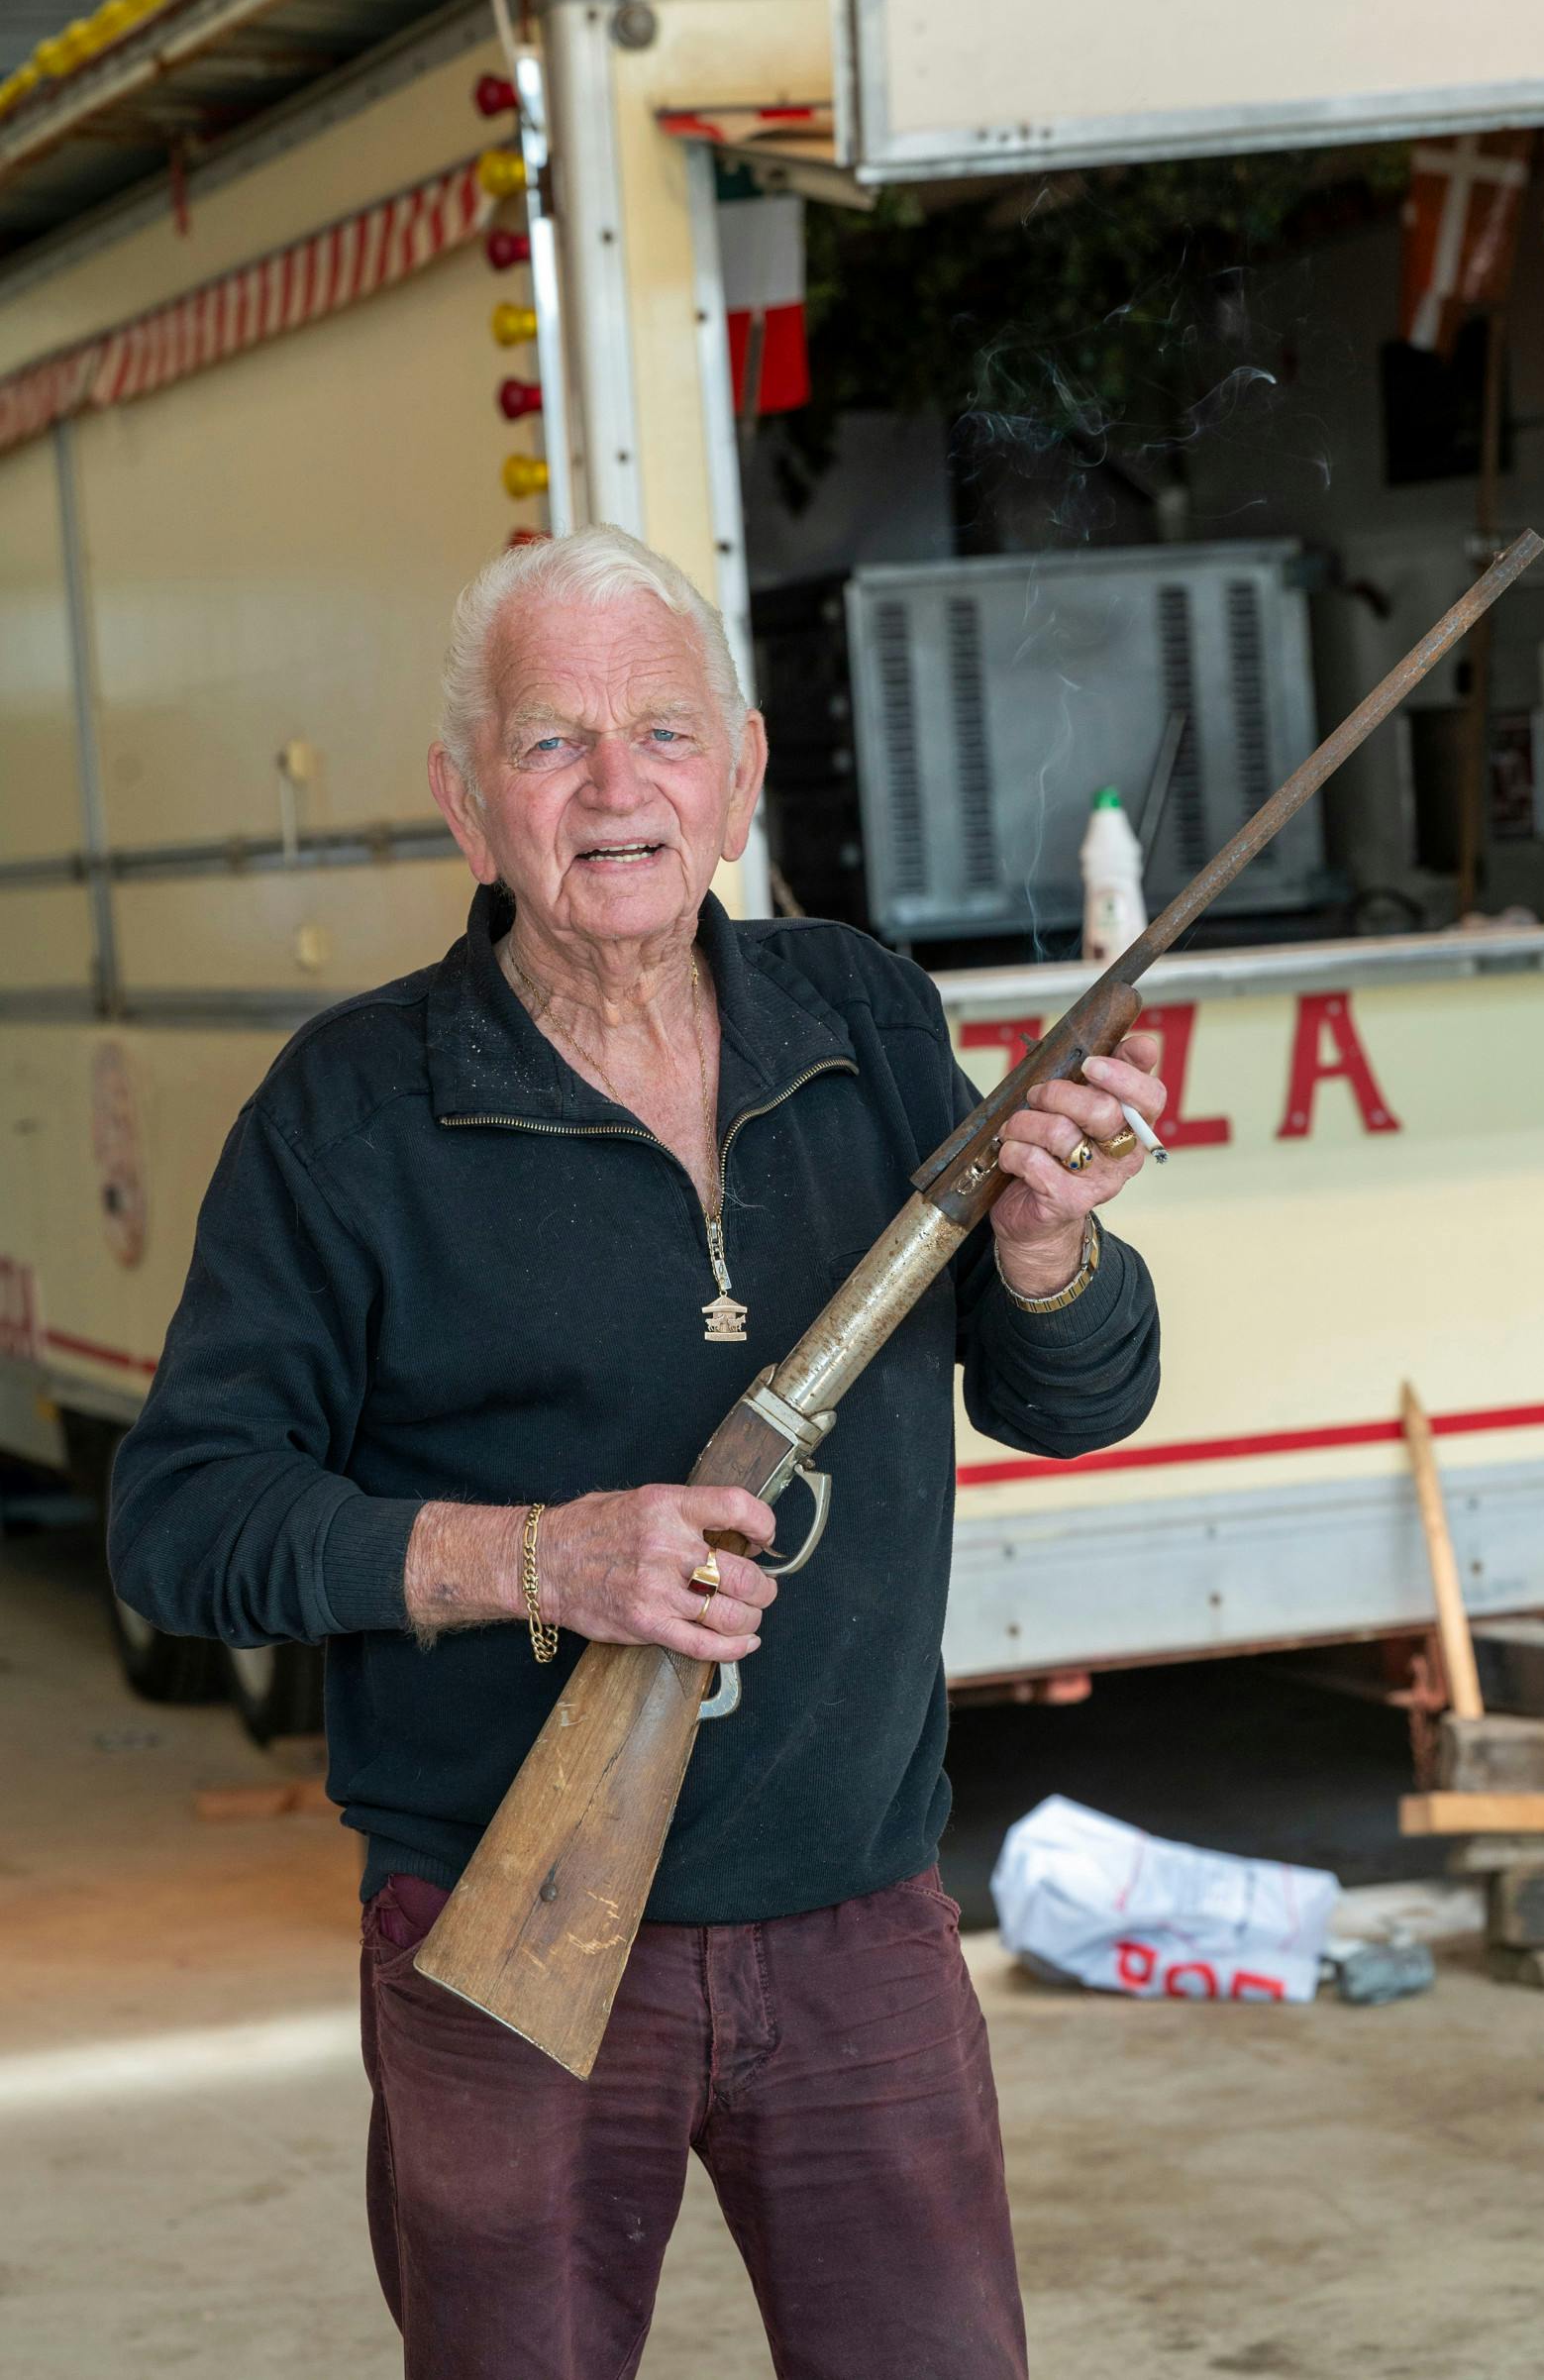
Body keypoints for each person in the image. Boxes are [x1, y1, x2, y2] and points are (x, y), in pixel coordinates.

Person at [111, 524, 1165, 2380]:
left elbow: (1069, 1399)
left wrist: (1047, 1251)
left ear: (742, 772)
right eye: (550, 743)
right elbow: (182, 1526)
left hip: (859, 1914)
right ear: (465, 800)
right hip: (502, 1932)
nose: (616, 790)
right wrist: (535, 1559)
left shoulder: (861, 1017)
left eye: (666, 733)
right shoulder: (345, 1113)